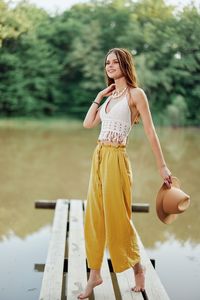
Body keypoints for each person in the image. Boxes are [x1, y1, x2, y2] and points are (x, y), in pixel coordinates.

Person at [77, 48, 172, 299]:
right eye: (107, 62)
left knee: (118, 217)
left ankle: (138, 268)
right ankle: (94, 274)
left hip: (117, 158)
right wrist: (99, 96)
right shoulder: (109, 97)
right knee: (94, 217)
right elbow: (88, 124)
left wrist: (162, 166)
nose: (109, 66)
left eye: (114, 62)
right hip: (98, 156)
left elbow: (151, 132)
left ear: (125, 65)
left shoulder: (135, 94)